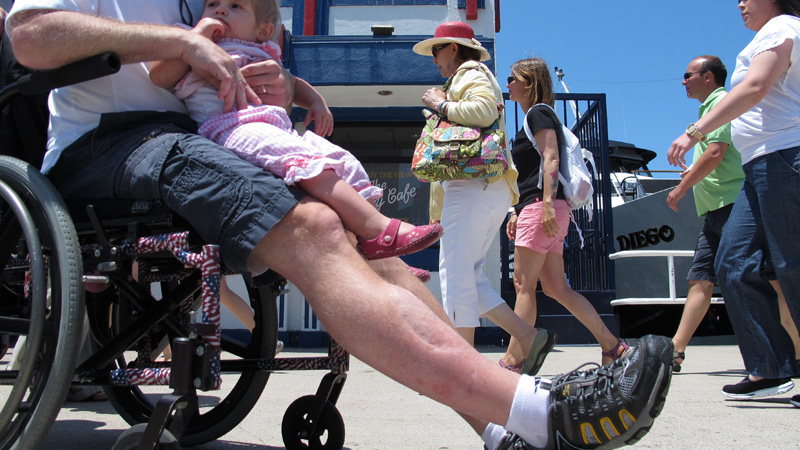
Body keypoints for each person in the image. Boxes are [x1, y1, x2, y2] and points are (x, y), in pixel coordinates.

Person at [6, 2, 675, 448]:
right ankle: (542, 413)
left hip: (205, 137)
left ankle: (499, 430)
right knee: (317, 229)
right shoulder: (182, 16)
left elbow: (211, 73)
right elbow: (28, 33)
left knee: (376, 249)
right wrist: (177, 41)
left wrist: (274, 82)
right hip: (107, 147)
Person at [149, 0, 443, 263]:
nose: (221, 10)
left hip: (277, 129)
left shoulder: (260, 51)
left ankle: (375, 257)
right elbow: (158, 74)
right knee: (310, 164)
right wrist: (193, 40)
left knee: (346, 163)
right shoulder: (193, 45)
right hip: (229, 128)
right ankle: (375, 227)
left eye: (236, 6)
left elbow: (292, 81)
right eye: (213, 4)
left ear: (263, 31)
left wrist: (315, 101)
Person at [667, 0, 800, 405]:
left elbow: (756, 86)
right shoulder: (769, 34)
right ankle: (769, 369)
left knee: (792, 267)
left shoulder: (782, 28)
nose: (740, 4)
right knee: (733, 264)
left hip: (783, 156)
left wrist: (695, 131)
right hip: (760, 165)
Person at [413, 22, 555, 378]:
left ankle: (461, 367)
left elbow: (484, 112)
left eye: (437, 50)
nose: (434, 60)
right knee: (470, 276)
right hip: (486, 187)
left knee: (455, 275)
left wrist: (440, 104)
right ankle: (527, 335)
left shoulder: (471, 71)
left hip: (471, 185)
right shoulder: (472, 74)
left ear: (454, 49)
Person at [501, 57, 628, 370]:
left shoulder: (538, 113)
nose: (508, 84)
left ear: (528, 83)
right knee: (557, 288)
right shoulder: (540, 116)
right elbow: (533, 170)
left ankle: (514, 360)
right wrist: (520, 210)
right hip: (546, 209)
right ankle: (612, 346)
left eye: (512, 78)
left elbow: (551, 159)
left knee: (523, 285)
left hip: (543, 209)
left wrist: (543, 203)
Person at [666, 55, 745, 372]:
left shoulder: (722, 103)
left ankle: (789, 352)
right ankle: (675, 350)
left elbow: (716, 152)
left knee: (763, 280)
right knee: (700, 279)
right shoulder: (706, 110)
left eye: (688, 75)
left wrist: (683, 187)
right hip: (715, 210)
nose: (683, 81)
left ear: (709, 76)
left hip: (733, 205)